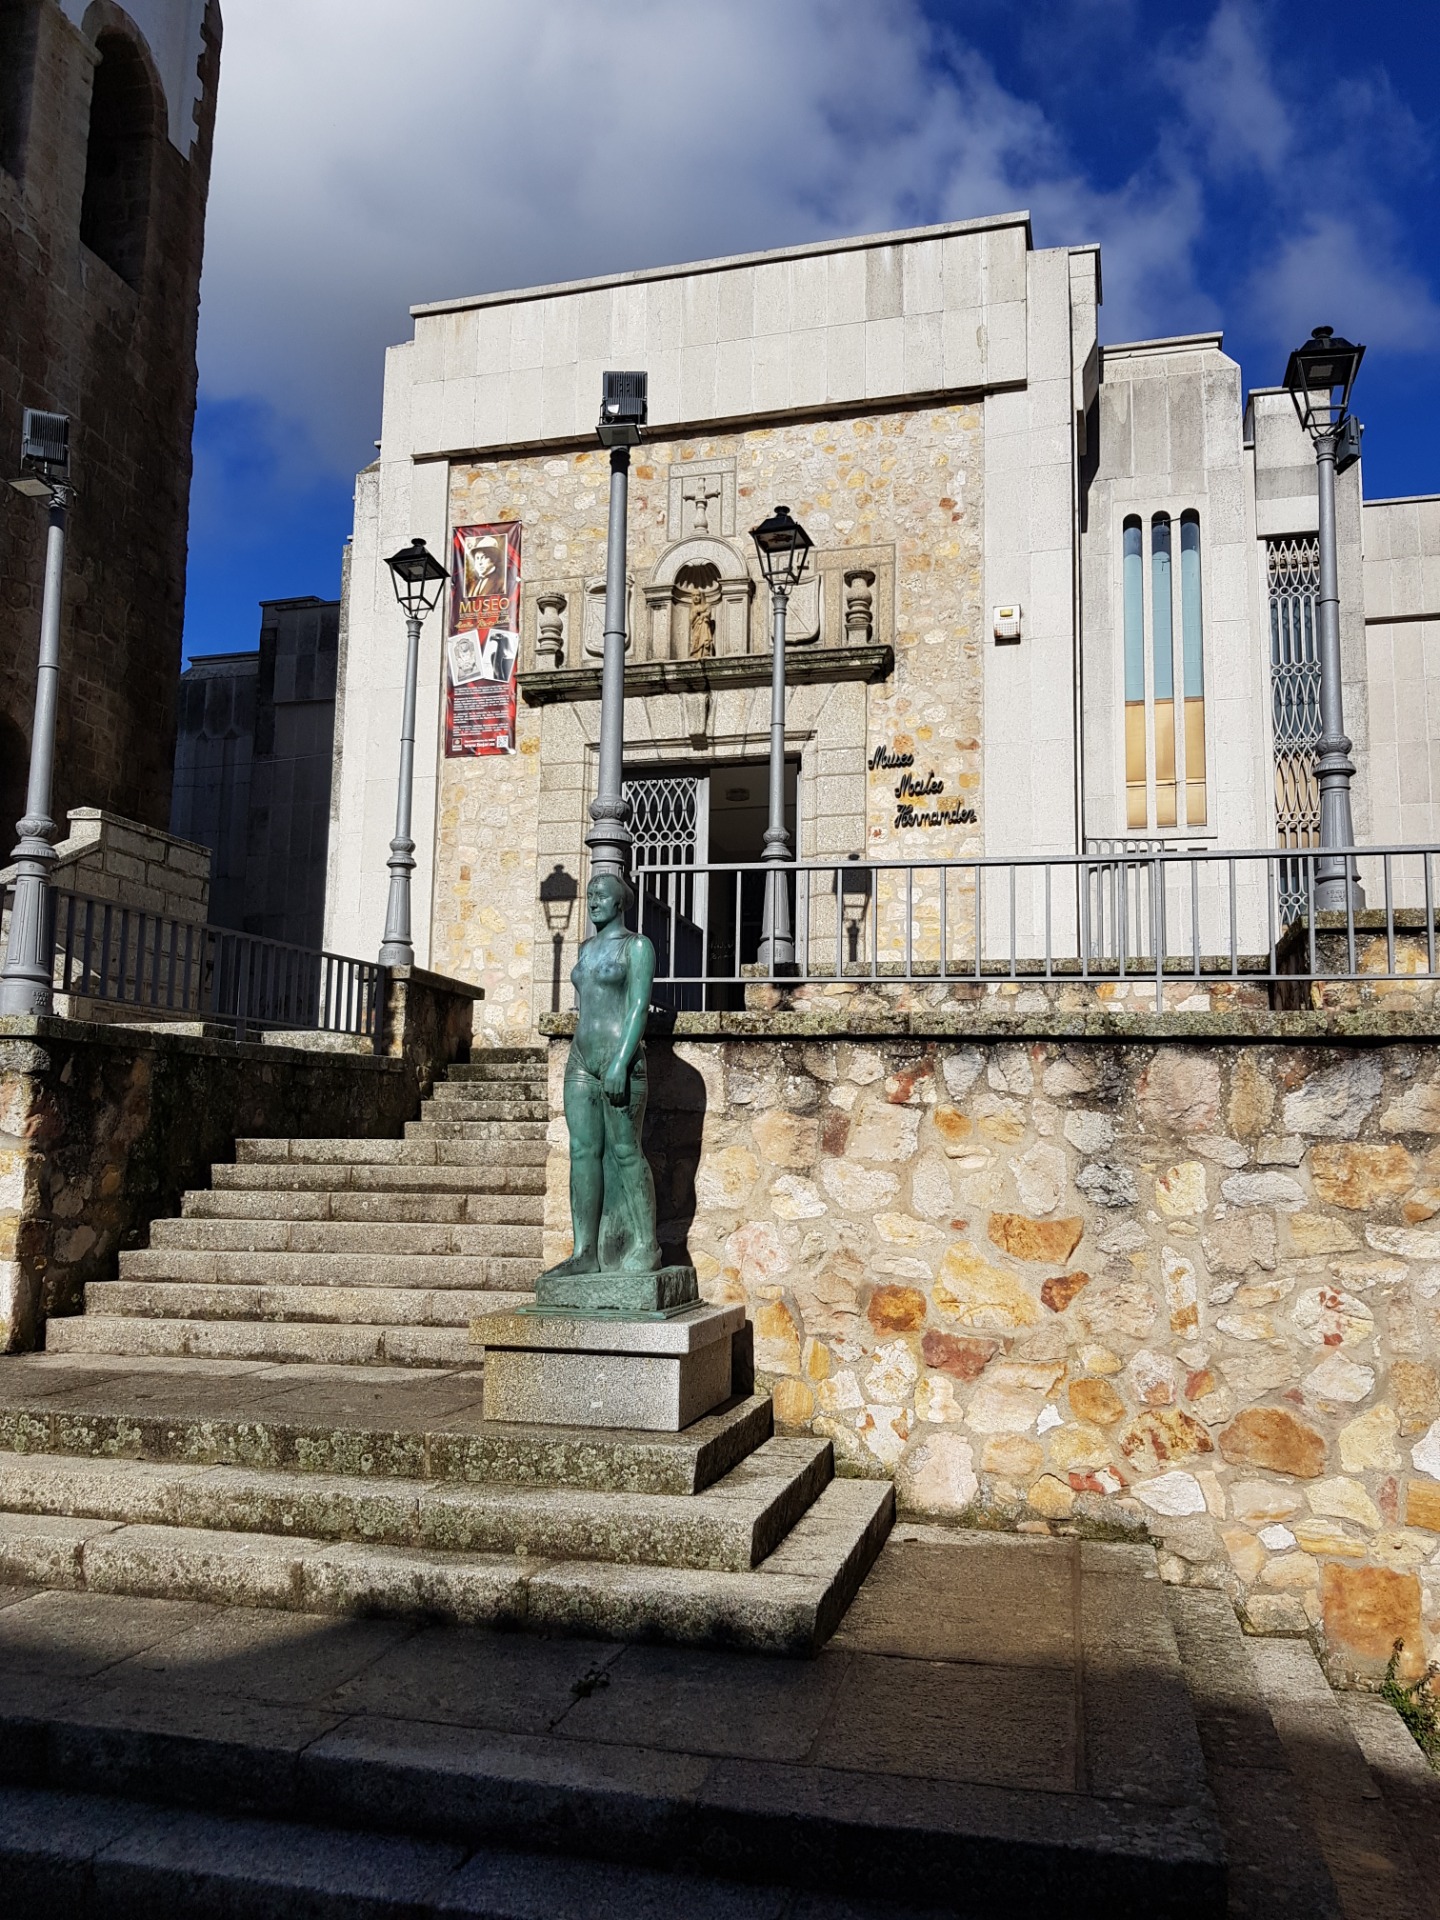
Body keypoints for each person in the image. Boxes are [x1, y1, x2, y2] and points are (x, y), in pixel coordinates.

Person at [541, 870, 662, 1277]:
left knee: (626, 1150)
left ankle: (647, 1245)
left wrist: (621, 1061)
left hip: (619, 1059)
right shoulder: (586, 948)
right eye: (590, 894)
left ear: (620, 902)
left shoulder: (637, 946)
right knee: (581, 1152)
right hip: (581, 1059)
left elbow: (638, 1007)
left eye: (601, 895)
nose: (593, 901)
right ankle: (584, 1251)